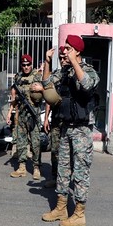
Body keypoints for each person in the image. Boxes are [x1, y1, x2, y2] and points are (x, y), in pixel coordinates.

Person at [38, 35, 99, 226]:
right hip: (65, 128)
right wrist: (47, 61)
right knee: (63, 171)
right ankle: (61, 208)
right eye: (64, 48)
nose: (64, 51)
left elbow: (87, 85)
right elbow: (47, 83)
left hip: (81, 131)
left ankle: (79, 214)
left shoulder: (89, 71)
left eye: (68, 48)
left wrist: (74, 62)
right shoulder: (63, 72)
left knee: (80, 172)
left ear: (78, 51)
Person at [7, 53, 43, 180]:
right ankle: (22, 167)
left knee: (35, 142)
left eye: (28, 65)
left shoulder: (37, 76)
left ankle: (36, 167)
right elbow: (14, 93)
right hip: (21, 113)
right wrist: (10, 111)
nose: (26, 67)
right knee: (21, 142)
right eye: (24, 65)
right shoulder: (18, 77)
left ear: (31, 64)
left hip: (33, 114)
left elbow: (44, 92)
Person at [42, 46, 68, 188]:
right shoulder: (58, 74)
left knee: (69, 153)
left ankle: (68, 180)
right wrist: (46, 118)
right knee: (55, 149)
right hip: (57, 118)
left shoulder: (75, 73)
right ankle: (55, 177)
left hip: (70, 121)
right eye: (61, 58)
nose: (63, 60)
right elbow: (48, 93)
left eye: (65, 57)